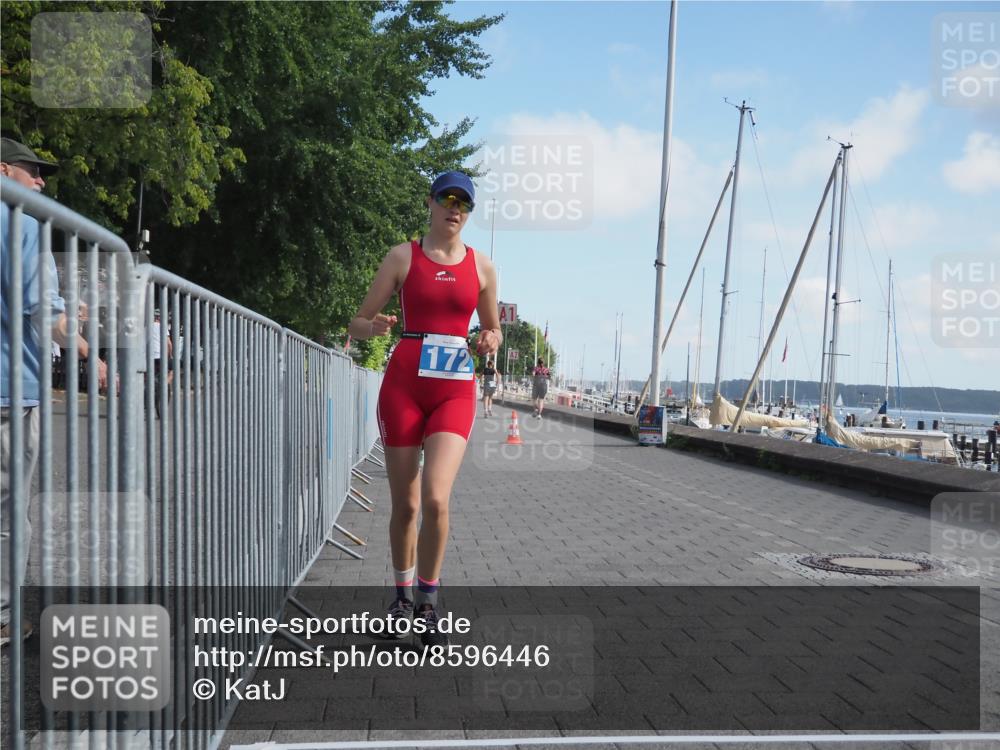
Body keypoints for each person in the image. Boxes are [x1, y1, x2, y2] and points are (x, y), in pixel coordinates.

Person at [349, 171, 501, 647]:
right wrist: (373, 330)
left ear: (469, 212)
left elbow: (494, 330)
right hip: (404, 388)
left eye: (464, 203)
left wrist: (488, 339)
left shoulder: (482, 267)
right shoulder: (402, 256)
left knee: (436, 497)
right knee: (407, 503)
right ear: (431, 203)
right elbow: (357, 321)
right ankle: (399, 597)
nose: (454, 208)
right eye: (447, 199)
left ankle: (428, 602)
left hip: (454, 389)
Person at [1, 137, 107, 646]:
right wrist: (91, 353)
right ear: (4, 171)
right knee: (8, 508)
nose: (41, 182)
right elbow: (41, 312)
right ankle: (3, 613)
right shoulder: (23, 223)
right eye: (32, 171)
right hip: (9, 389)